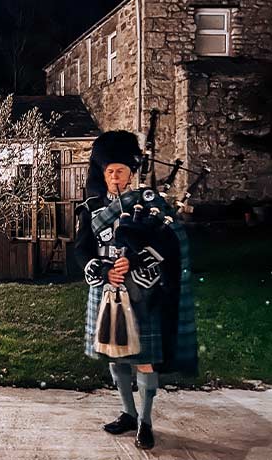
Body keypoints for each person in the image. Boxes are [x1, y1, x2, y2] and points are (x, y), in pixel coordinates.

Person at [74, 130, 198, 450]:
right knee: (116, 359)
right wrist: (102, 270)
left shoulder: (150, 203)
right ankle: (127, 413)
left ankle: (145, 421)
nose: (114, 177)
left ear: (132, 173)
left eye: (121, 171)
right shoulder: (91, 207)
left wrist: (139, 261)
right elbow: (82, 249)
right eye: (109, 171)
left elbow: (171, 243)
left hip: (143, 291)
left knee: (144, 360)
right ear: (102, 173)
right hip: (106, 289)